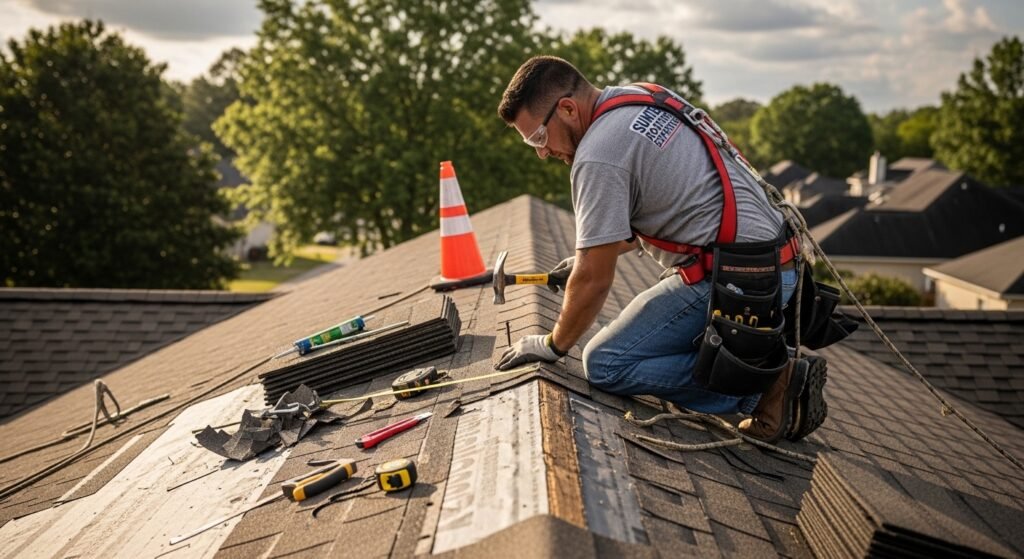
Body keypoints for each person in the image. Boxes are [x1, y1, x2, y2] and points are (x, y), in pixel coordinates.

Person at [493, 55, 827, 443]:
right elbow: (669, 204)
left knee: (605, 363)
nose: (541, 152)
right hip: (777, 268)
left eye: (538, 137)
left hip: (738, 284)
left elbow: (594, 282)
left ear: (567, 109)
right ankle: (753, 356)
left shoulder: (597, 154)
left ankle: (769, 387)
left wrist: (551, 345)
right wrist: (590, 256)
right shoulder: (643, 96)